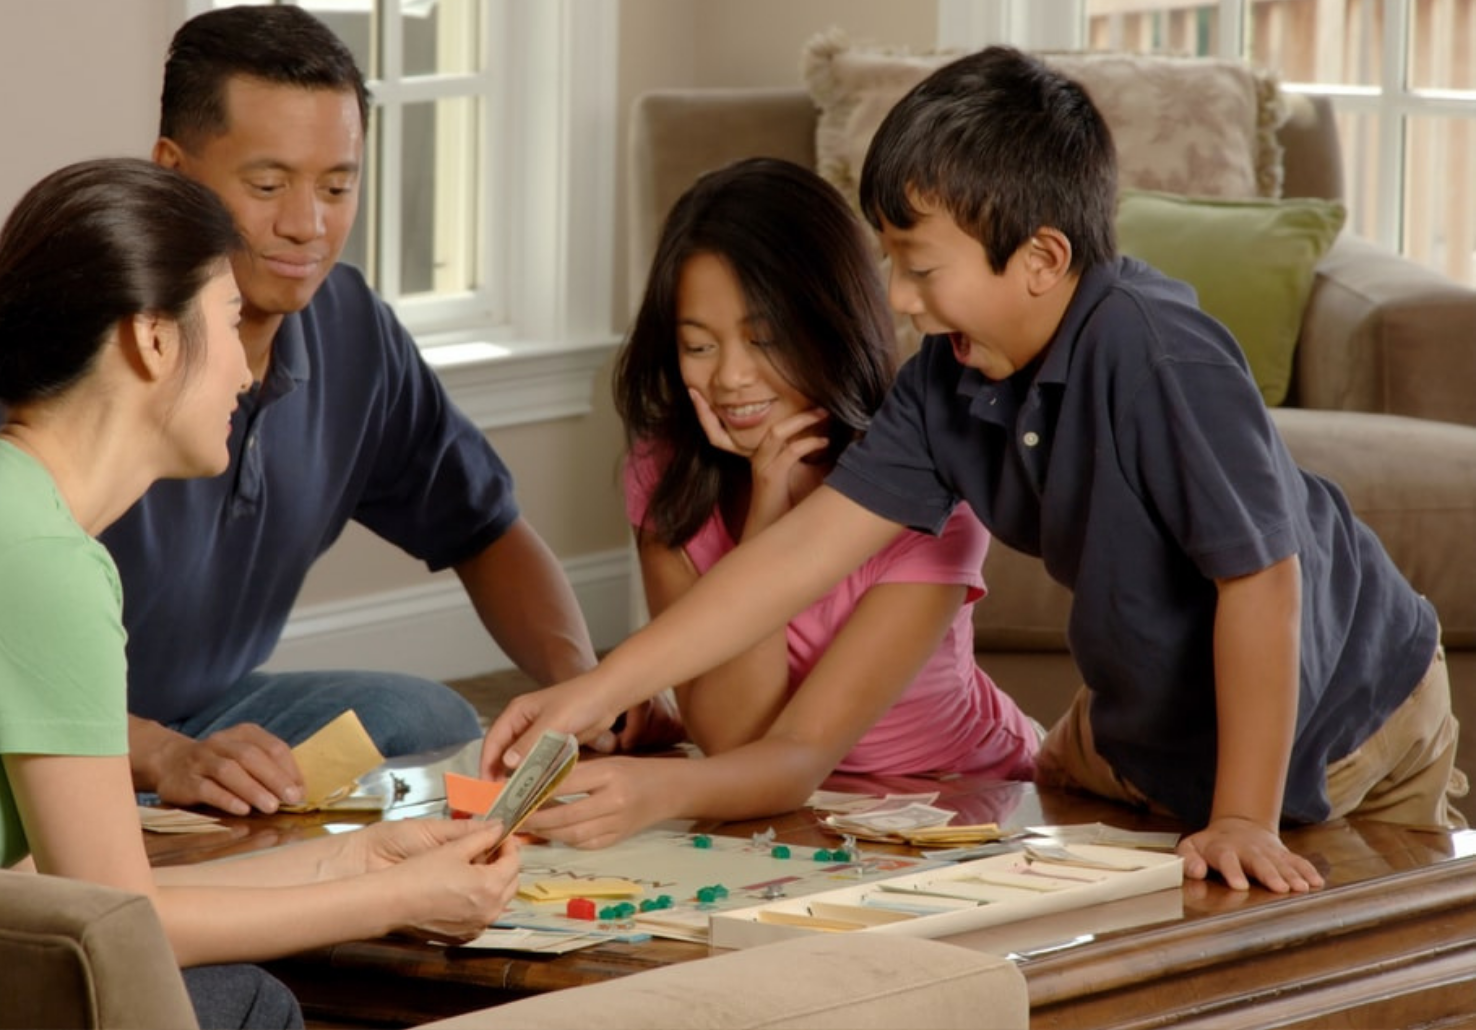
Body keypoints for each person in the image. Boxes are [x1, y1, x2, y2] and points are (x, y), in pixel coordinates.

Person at [484, 46, 1465, 895]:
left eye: (920, 267)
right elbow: (789, 564)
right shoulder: (945, 386)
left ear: (1040, 258)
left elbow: (1261, 580)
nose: (901, 302)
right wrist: (593, 691)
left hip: (1343, 708)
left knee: (1324, 942)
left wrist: (1245, 814)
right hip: (1148, 724)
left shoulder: (1157, 351)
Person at [0, 159, 521, 1030]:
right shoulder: (34, 558)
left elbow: (76, 888)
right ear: (154, 340)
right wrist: (394, 902)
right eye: (232, 321)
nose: (248, 375)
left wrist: (366, 862)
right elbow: (116, 921)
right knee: (243, 1003)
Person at [103, 4, 680, 818]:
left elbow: (485, 528)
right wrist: (161, 755)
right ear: (172, 171)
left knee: (426, 717)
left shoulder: (349, 326)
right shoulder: (87, 348)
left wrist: (577, 687)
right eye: (267, 186)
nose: (307, 225)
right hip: (47, 739)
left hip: (209, 711)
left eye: (338, 186)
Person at [521, 158, 1040, 850]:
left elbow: (796, 751)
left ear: (831, 322)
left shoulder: (930, 487)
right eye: (699, 345)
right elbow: (732, 735)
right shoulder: (668, 474)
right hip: (782, 808)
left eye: (764, 340)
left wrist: (656, 787)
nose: (731, 377)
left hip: (957, 795)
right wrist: (767, 508)